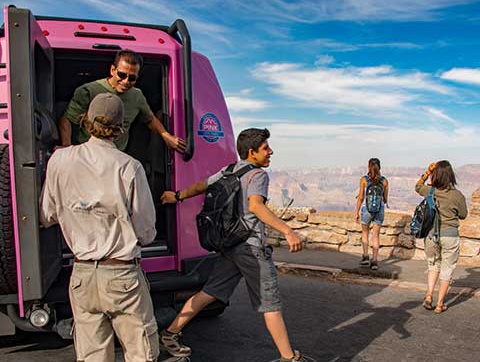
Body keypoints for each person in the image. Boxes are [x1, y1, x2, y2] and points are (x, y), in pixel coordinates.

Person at [159, 128, 308, 362]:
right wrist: (288, 231)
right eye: (266, 148)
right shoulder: (258, 175)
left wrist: (176, 196)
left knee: (209, 293)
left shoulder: (229, 170)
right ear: (252, 152)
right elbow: (257, 206)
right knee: (270, 304)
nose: (271, 152)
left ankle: (170, 333)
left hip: (230, 245)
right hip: (251, 249)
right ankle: (289, 358)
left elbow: (201, 186)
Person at [40, 93, 159, 361]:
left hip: (82, 274)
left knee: (92, 354)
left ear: (85, 122)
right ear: (120, 128)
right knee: (141, 351)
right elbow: (146, 231)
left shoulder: (59, 161)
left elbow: (47, 214)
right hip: (121, 276)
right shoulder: (129, 167)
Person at [58, 49, 186, 153]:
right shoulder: (88, 91)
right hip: (88, 154)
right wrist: (66, 148)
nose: (126, 81)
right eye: (122, 75)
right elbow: (68, 119)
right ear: (112, 70)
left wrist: (166, 136)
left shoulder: (137, 96)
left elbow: (150, 118)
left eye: (132, 78)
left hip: (117, 156)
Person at [416, 161, 467, 314]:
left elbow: (417, 186)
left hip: (431, 235)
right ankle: (439, 304)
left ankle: (429, 295)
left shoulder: (430, 191)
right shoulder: (457, 195)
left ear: (435, 174)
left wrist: (427, 172)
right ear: (451, 175)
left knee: (433, 266)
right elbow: (463, 215)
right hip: (450, 235)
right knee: (447, 269)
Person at [354, 158, 389, 271]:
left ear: (369, 167)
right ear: (380, 167)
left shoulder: (364, 179)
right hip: (379, 210)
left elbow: (360, 197)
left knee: (365, 233)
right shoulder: (384, 181)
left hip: (366, 210)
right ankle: (374, 261)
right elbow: (385, 199)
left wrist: (356, 212)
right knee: (375, 236)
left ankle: (365, 257)